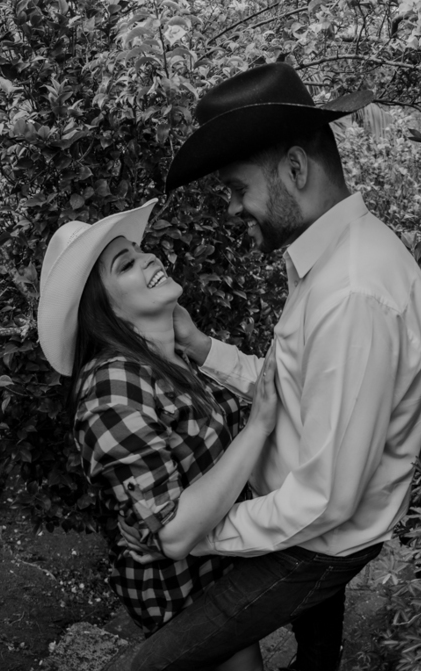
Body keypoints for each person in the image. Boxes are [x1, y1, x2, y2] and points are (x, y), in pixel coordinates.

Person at [106, 62, 421, 671]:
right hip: (306, 519)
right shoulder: (331, 260)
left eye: (238, 189)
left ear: (295, 169)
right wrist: (203, 348)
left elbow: (325, 500)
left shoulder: (352, 293)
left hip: (315, 544)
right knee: (316, 654)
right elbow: (299, 388)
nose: (232, 208)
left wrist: (196, 533)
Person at [37, 198, 283, 671]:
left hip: (224, 562)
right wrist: (259, 427)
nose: (149, 257)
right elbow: (172, 532)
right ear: (105, 309)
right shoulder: (111, 389)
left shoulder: (171, 357)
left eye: (140, 250)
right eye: (126, 264)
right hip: (183, 589)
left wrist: (198, 345)